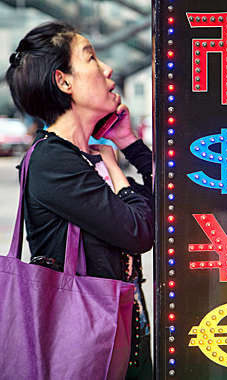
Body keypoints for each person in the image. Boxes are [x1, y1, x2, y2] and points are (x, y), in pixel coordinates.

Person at [6, 21, 153, 379]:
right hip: (83, 346)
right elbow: (140, 230)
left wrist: (130, 144)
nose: (107, 68)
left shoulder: (87, 155)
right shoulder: (52, 161)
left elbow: (165, 206)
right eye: (91, 57)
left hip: (122, 338)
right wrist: (118, 174)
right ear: (64, 81)